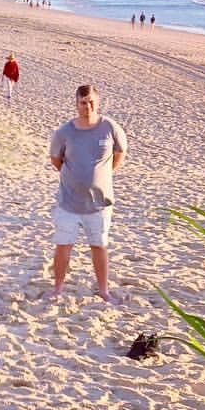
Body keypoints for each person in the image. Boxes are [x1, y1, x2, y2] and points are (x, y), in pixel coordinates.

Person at [48, 83, 127, 303]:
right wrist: (76, 177)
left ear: (97, 102)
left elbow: (120, 153)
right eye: (83, 103)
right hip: (69, 202)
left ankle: (103, 290)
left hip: (100, 203)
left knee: (99, 245)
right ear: (76, 104)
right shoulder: (64, 132)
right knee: (63, 245)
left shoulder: (110, 127)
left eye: (91, 102)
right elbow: (56, 159)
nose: (87, 107)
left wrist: (103, 174)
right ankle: (58, 289)